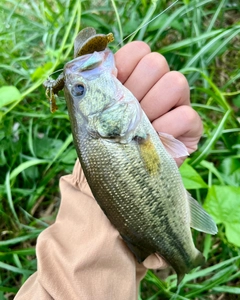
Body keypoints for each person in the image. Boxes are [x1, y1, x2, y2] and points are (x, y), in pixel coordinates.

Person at [15, 41, 203, 300]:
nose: (78, 85)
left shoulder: (114, 130)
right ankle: (187, 259)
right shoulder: (112, 129)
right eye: (80, 90)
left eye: (78, 89)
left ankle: (186, 260)